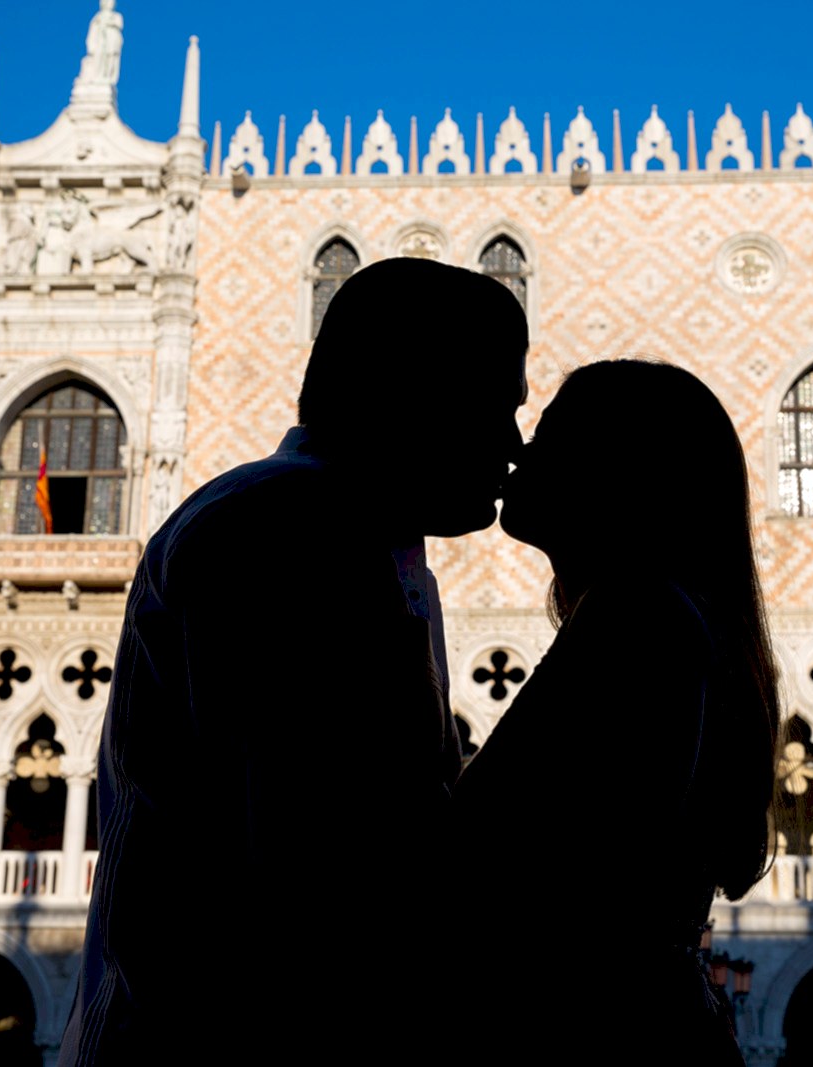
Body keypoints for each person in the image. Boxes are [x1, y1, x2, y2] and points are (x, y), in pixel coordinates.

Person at [57, 257, 529, 1065]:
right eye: (497, 406)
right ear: (414, 391)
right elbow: (310, 873)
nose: (515, 447)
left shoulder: (371, 541)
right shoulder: (284, 525)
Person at [450, 359, 781, 1065]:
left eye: (550, 435)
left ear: (621, 475)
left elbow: (469, 846)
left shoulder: (638, 613)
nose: (517, 451)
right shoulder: (667, 614)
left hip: (596, 1047)